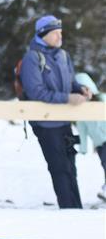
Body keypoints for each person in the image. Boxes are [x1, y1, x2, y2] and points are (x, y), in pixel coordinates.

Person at [20, 15, 91, 209]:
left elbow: (71, 82)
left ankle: (76, 210)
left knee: (70, 167)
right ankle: (68, 211)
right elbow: (36, 92)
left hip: (64, 120)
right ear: (44, 34)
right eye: (56, 33)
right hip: (45, 123)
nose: (60, 36)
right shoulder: (32, 58)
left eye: (61, 32)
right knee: (59, 168)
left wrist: (80, 90)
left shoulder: (63, 55)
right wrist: (68, 98)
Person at [74, 72, 106, 202]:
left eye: (86, 90)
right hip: (100, 144)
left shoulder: (103, 99)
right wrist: (83, 147)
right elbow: (82, 130)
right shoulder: (81, 111)